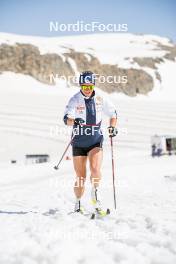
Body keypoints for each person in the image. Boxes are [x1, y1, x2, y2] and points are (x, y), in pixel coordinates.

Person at [63, 71, 118, 213]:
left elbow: (113, 113)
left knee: (95, 169)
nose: (87, 90)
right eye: (84, 87)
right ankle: (78, 203)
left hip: (95, 140)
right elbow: (66, 119)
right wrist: (74, 120)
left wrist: (112, 126)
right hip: (79, 142)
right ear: (81, 86)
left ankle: (95, 193)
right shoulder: (75, 99)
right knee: (81, 176)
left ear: (93, 86)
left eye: (90, 87)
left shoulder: (101, 98)